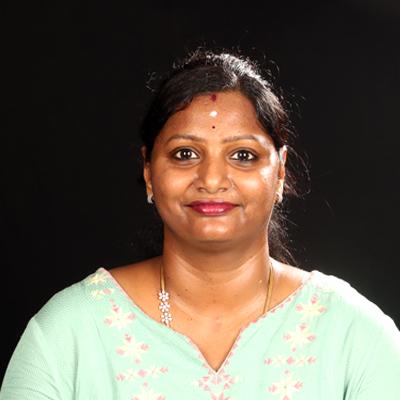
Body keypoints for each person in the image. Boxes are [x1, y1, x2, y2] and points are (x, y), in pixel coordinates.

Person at [1, 48, 399, 400]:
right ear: (148, 171)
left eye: (243, 155)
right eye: (185, 153)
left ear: (280, 173)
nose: (211, 179)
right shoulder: (69, 332)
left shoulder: (353, 335)